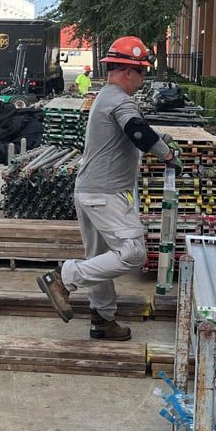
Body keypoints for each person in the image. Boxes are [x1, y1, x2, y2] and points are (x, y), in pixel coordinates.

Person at [37, 36, 182, 340]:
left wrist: (159, 140)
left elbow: (132, 133)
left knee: (99, 257)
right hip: (105, 192)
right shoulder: (120, 99)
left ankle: (102, 320)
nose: (143, 79)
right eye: (142, 72)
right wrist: (167, 155)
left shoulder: (106, 96)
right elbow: (137, 132)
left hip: (89, 190)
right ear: (128, 71)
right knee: (133, 252)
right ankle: (63, 278)